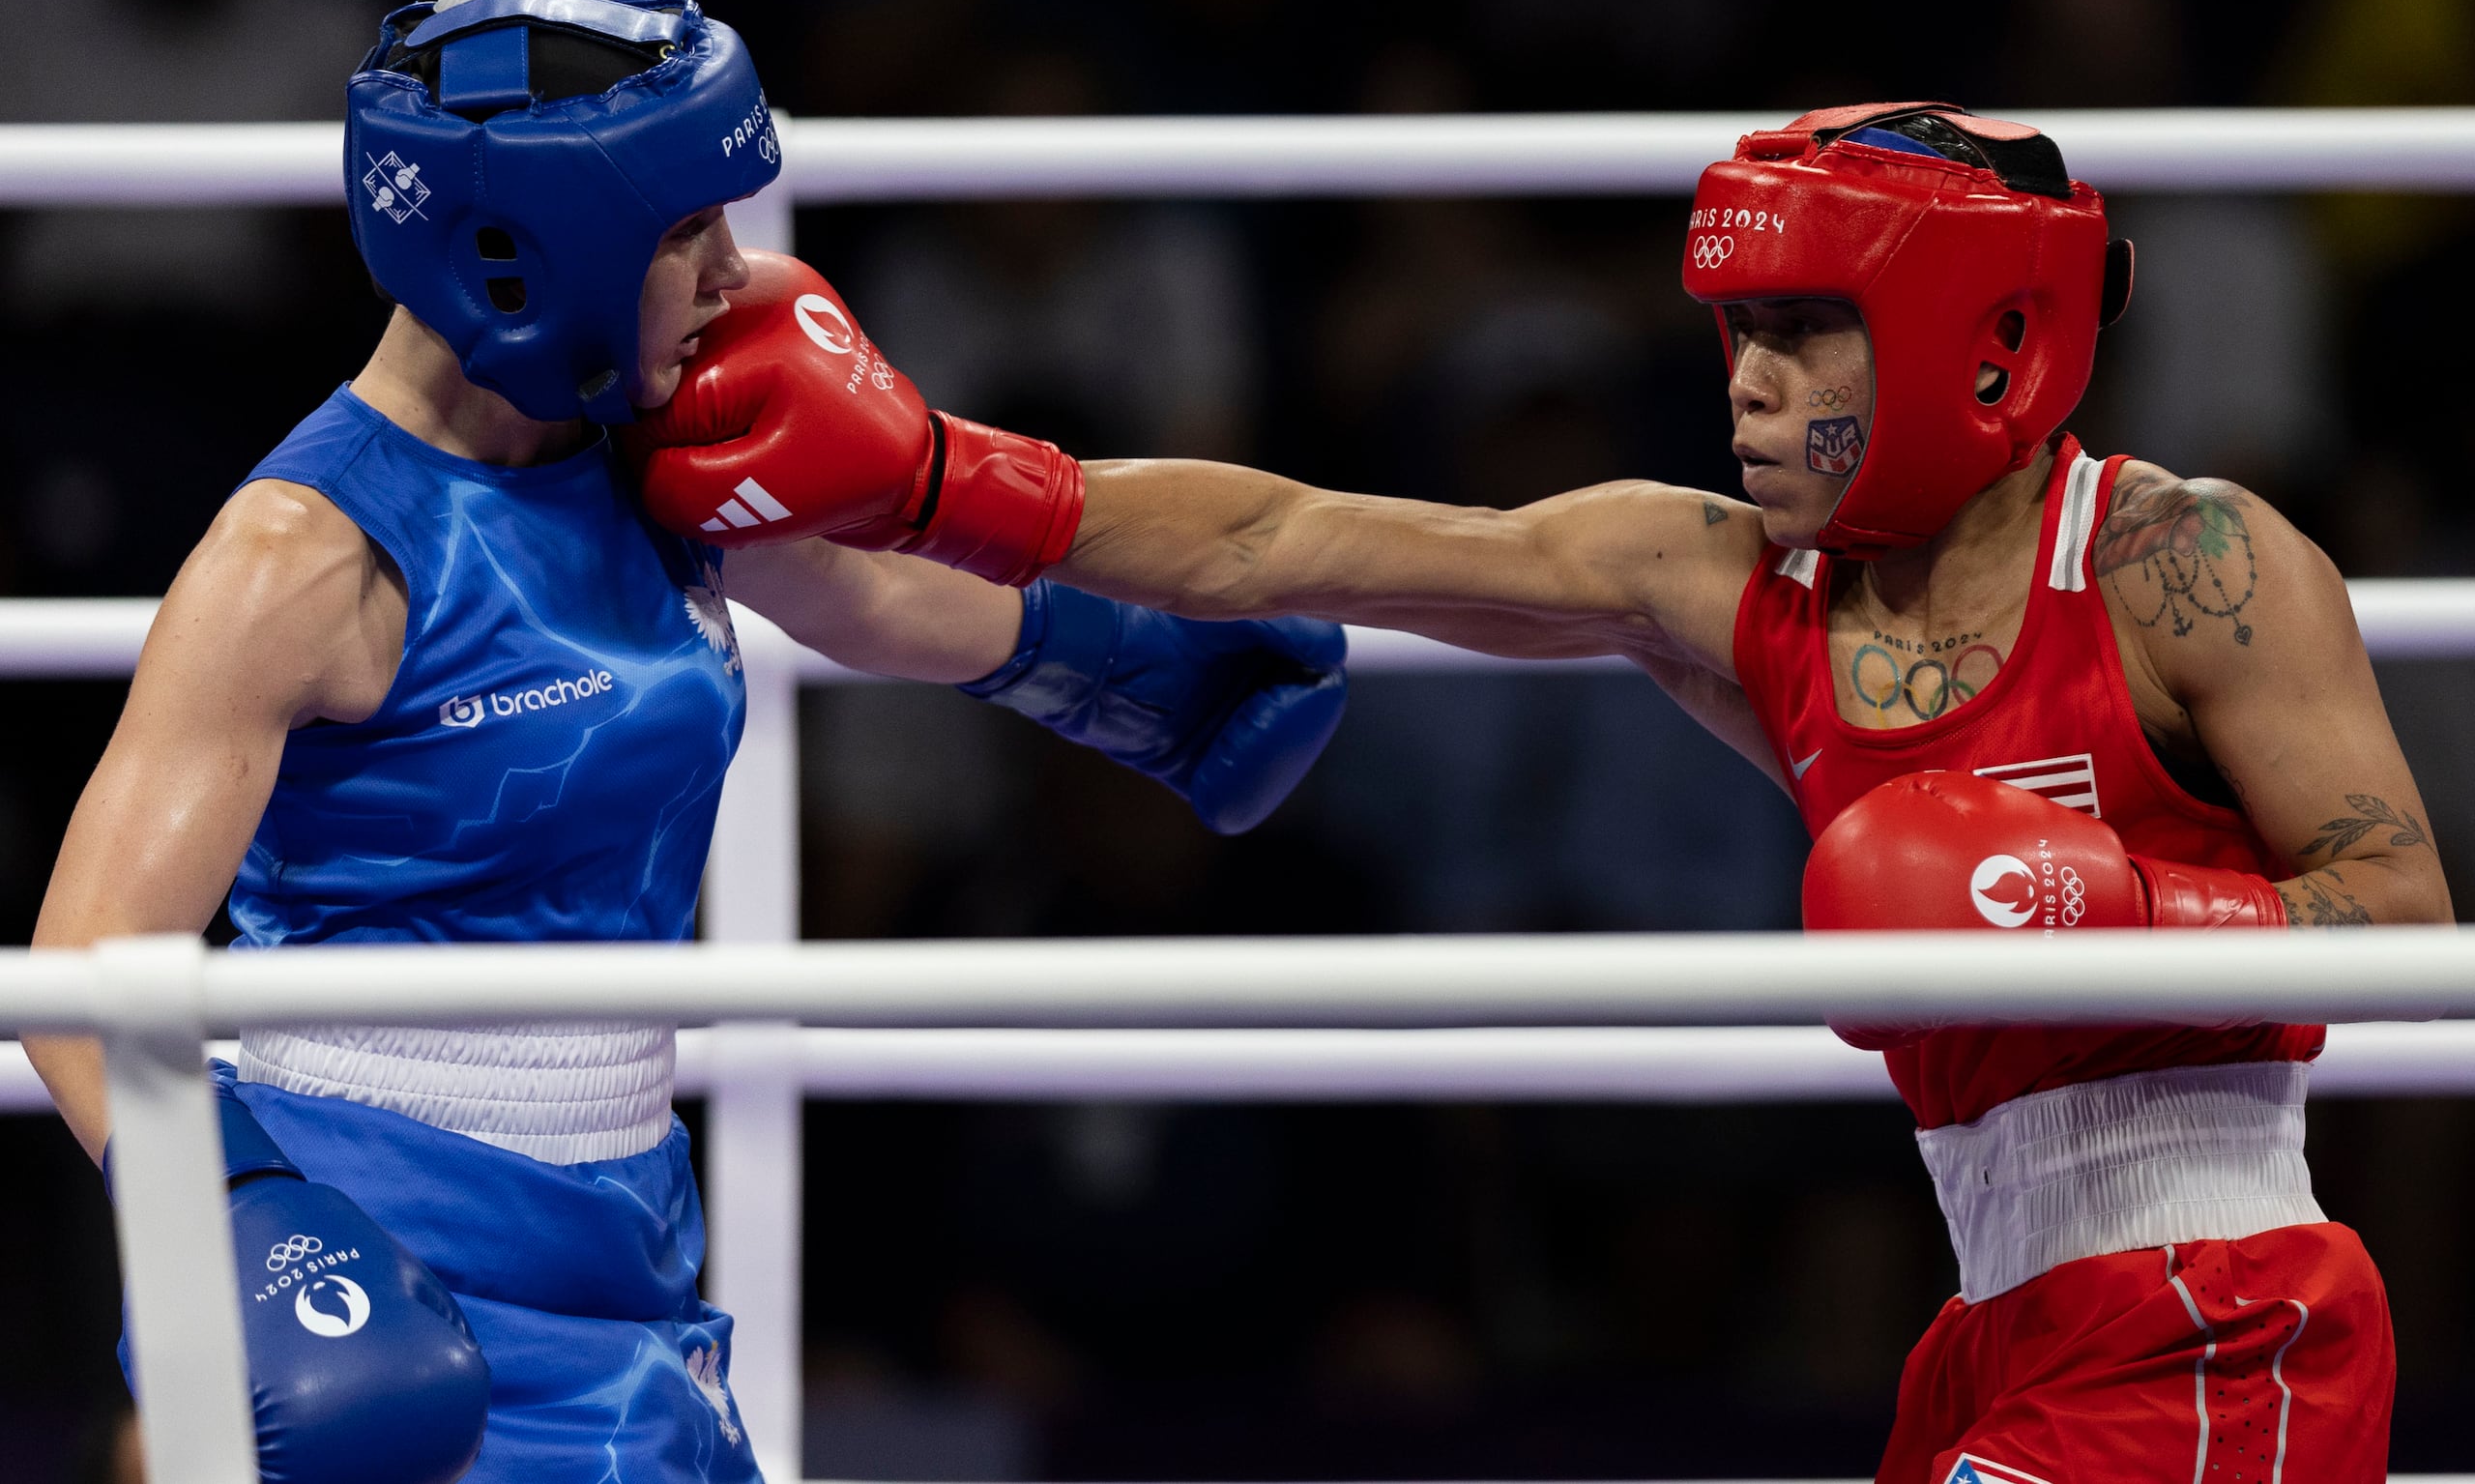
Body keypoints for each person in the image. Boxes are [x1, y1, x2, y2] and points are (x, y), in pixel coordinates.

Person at [632, 102, 2447, 1483]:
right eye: (1730, 328)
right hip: (1996, 1317)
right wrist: (954, 479)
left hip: (2224, 1308)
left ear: (1988, 340)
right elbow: (1296, 535)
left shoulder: (2181, 559)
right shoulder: (1727, 581)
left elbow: (2406, 926)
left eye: (1802, 331)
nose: (1741, 385)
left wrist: (2096, 913)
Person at [26, 0, 1345, 1484]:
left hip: (623, 1229)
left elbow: (880, 605)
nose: (738, 274)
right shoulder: (306, 558)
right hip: (377, 1232)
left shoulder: (654, 454)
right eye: (683, 235)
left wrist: (1146, 674)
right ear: (528, 256)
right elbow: (83, 965)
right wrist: (251, 1225)